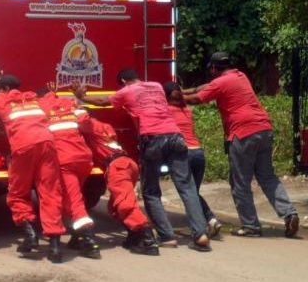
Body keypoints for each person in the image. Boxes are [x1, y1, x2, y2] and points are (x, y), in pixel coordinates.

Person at [73, 69, 211, 252]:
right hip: (176, 136)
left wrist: (82, 96)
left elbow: (104, 101)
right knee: (187, 187)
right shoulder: (156, 86)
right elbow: (181, 93)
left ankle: (167, 237)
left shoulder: (127, 90)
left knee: (151, 191)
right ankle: (200, 235)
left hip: (153, 139)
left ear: (123, 81)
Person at [183, 52, 299, 237]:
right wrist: (183, 91)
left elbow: (198, 98)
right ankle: (289, 213)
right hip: (263, 128)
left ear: (213, 68)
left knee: (240, 182)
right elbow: (204, 87)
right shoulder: (239, 76)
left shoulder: (220, 82)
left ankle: (251, 226)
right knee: (267, 176)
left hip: (243, 132)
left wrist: (173, 98)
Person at [0, 68, 66, 263]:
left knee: (18, 194)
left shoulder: (3, 101)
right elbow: (50, 101)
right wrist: (53, 92)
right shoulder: (34, 100)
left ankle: (30, 236)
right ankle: (54, 246)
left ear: (5, 89)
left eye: (0, 89)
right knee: (49, 193)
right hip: (47, 144)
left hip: (24, 147)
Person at [76, 113, 159, 256]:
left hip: (117, 166)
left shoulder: (91, 126)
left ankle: (148, 240)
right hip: (128, 164)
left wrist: (72, 107)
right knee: (115, 207)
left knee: (125, 205)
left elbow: (81, 120)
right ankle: (133, 236)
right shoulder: (107, 127)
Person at [37, 83, 100, 259]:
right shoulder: (69, 103)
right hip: (84, 158)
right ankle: (76, 236)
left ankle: (89, 241)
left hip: (65, 159)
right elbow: (86, 123)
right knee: (73, 196)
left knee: (73, 200)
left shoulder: (40, 107)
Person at [163, 81, 223, 237]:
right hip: (198, 153)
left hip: (184, 154)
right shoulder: (186, 110)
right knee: (193, 192)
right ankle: (211, 221)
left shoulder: (166, 110)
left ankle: (199, 228)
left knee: (188, 193)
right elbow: (185, 95)